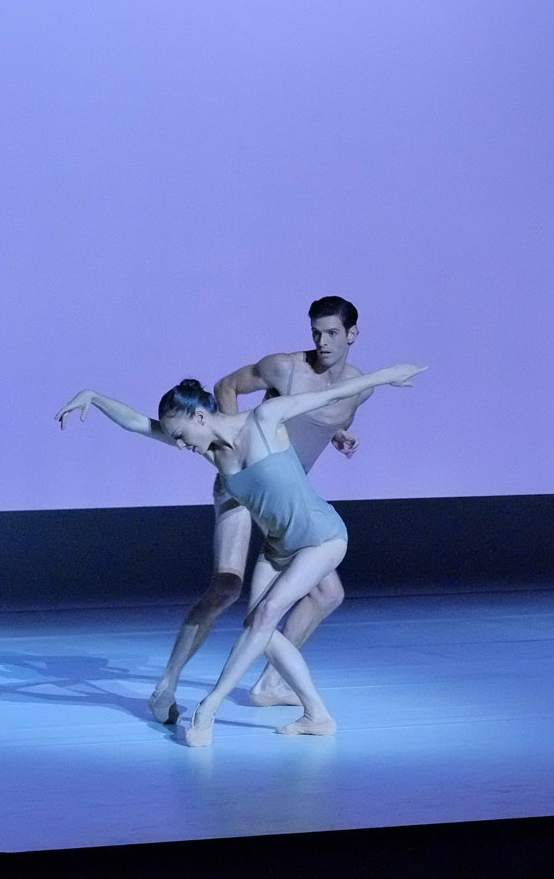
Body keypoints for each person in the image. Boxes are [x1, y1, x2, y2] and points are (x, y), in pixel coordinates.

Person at [56, 362, 424, 746]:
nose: (180, 445)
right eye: (175, 438)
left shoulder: (264, 418)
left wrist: (386, 377)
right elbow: (137, 423)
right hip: (278, 548)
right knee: (258, 628)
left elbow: (327, 396)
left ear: (200, 415)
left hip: (322, 538)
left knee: (266, 615)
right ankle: (317, 715)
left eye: (182, 435)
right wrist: (93, 397)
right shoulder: (213, 454)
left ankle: (209, 707)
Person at [146, 296, 374, 725]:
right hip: (241, 486)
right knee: (227, 587)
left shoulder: (360, 386)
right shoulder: (284, 367)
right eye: (315, 333)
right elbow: (225, 388)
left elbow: (316, 415)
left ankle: (270, 683)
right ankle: (167, 684)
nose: (321, 342)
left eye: (331, 333)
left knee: (329, 594)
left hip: (281, 497)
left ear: (352, 335)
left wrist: (338, 432)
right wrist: (237, 457)